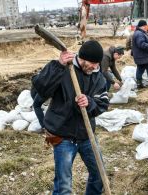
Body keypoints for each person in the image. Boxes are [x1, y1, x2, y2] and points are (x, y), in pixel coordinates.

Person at [32, 40, 109, 194]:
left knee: (100, 175)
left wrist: (90, 102)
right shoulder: (64, 68)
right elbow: (39, 88)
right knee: (64, 185)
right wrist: (58, 66)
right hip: (63, 136)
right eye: (92, 63)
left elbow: (103, 103)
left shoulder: (97, 77)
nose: (95, 67)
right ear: (82, 58)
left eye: (97, 63)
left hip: (87, 136)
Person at [132, 19, 148, 88]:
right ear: (142, 26)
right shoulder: (139, 34)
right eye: (145, 26)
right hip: (144, 56)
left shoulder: (138, 32)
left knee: (140, 69)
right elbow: (142, 45)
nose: (146, 27)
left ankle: (139, 84)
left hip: (140, 56)